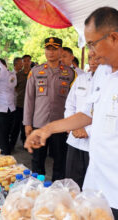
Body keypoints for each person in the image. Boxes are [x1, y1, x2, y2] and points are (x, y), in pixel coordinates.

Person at [24, 7, 118, 220]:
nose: (92, 52)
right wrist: (47, 129)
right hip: (95, 186)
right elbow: (87, 114)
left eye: (92, 44)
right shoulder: (102, 74)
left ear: (114, 37)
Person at [23, 37, 75, 181]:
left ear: (60, 51)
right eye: (48, 49)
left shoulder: (69, 73)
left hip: (60, 126)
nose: (51, 52)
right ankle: (37, 188)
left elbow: (74, 101)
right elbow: (29, 99)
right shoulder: (35, 71)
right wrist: (27, 123)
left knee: (60, 160)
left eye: (54, 49)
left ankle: (57, 190)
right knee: (37, 160)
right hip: (39, 124)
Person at [64, 51, 99, 188]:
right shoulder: (81, 79)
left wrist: (87, 130)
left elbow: (107, 114)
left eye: (96, 58)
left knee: (91, 187)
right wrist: (73, 126)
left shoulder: (110, 83)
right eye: (90, 58)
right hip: (75, 140)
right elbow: (69, 105)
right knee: (72, 184)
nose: (93, 61)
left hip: (94, 143)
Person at [10, 57, 28, 150]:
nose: (23, 64)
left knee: (26, 125)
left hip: (27, 104)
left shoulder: (30, 74)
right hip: (18, 103)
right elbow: (14, 88)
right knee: (16, 125)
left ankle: (25, 142)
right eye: (21, 62)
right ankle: (12, 144)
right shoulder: (15, 75)